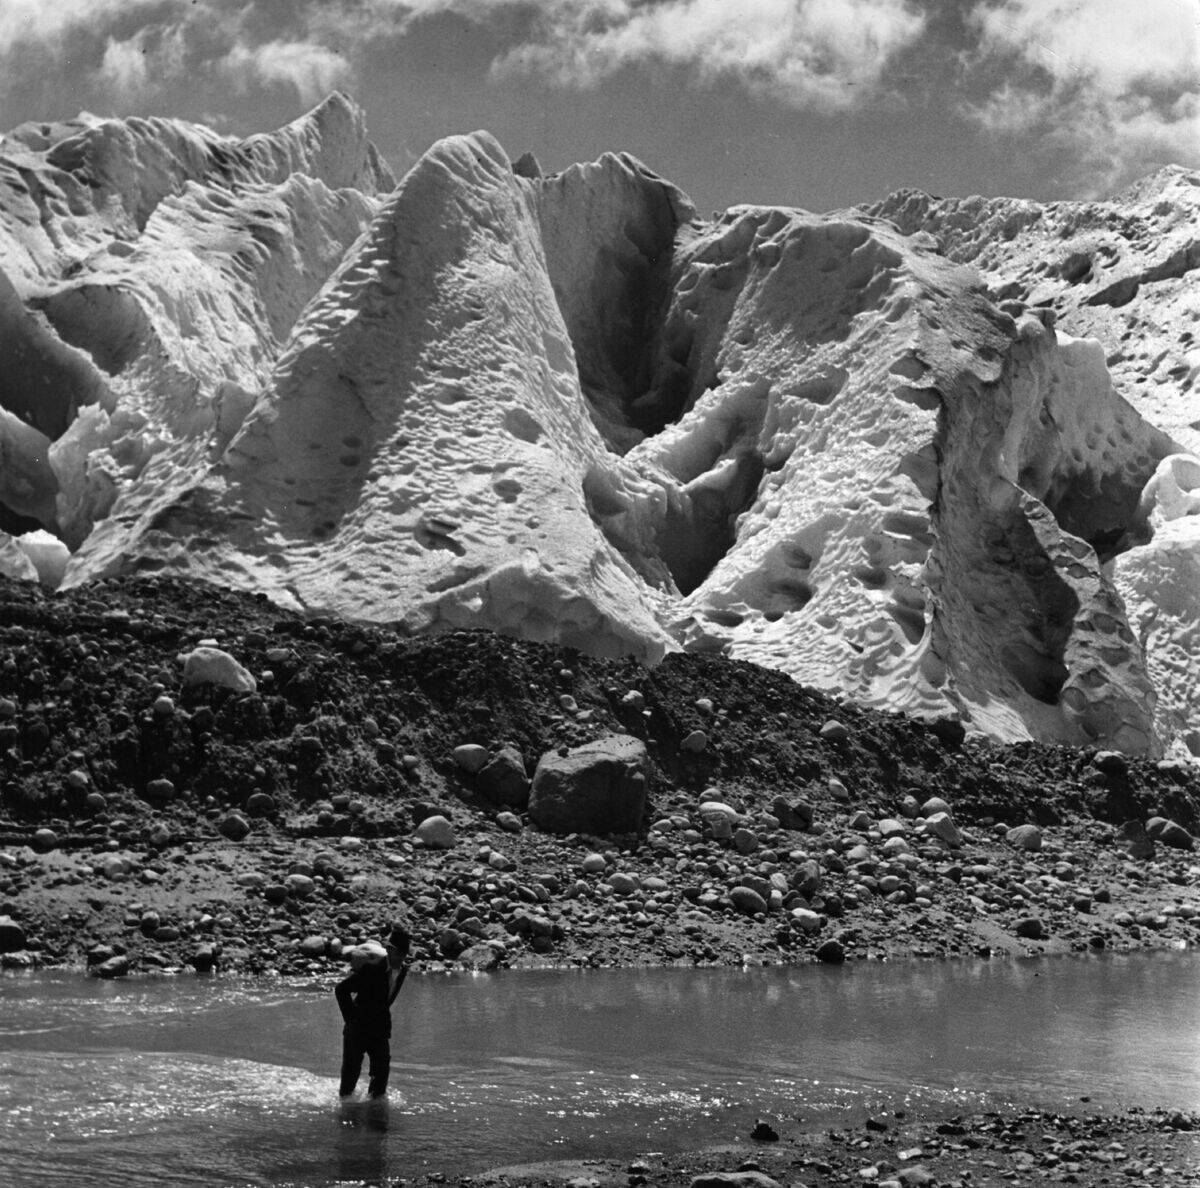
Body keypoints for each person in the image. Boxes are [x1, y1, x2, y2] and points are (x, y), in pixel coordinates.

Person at [335, 923, 411, 1099]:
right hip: (357, 1029)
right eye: (398, 953)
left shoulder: (403, 971)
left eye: (404, 955)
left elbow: (386, 1000)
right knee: (349, 1079)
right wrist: (351, 1019)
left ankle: (376, 1113)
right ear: (389, 950)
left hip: (380, 1029)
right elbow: (341, 990)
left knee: (381, 1075)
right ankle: (345, 1116)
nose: (401, 959)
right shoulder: (371, 969)